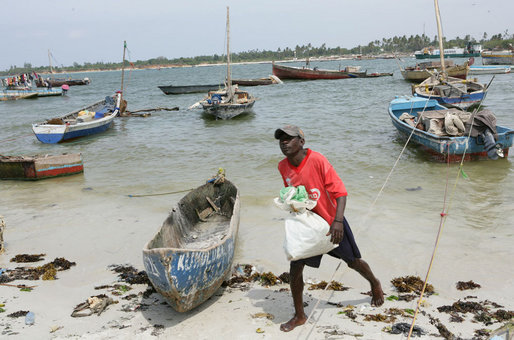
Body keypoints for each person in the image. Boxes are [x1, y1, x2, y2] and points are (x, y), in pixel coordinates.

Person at [275, 125, 384, 332]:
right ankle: (299, 315)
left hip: (332, 223)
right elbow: (294, 194)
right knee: (295, 268)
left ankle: (375, 283)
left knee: (353, 262)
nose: (284, 142)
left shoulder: (317, 160)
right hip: (307, 226)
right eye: (281, 139)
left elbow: (340, 192)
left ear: (301, 141)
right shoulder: (282, 167)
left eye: (289, 138)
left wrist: (338, 221)